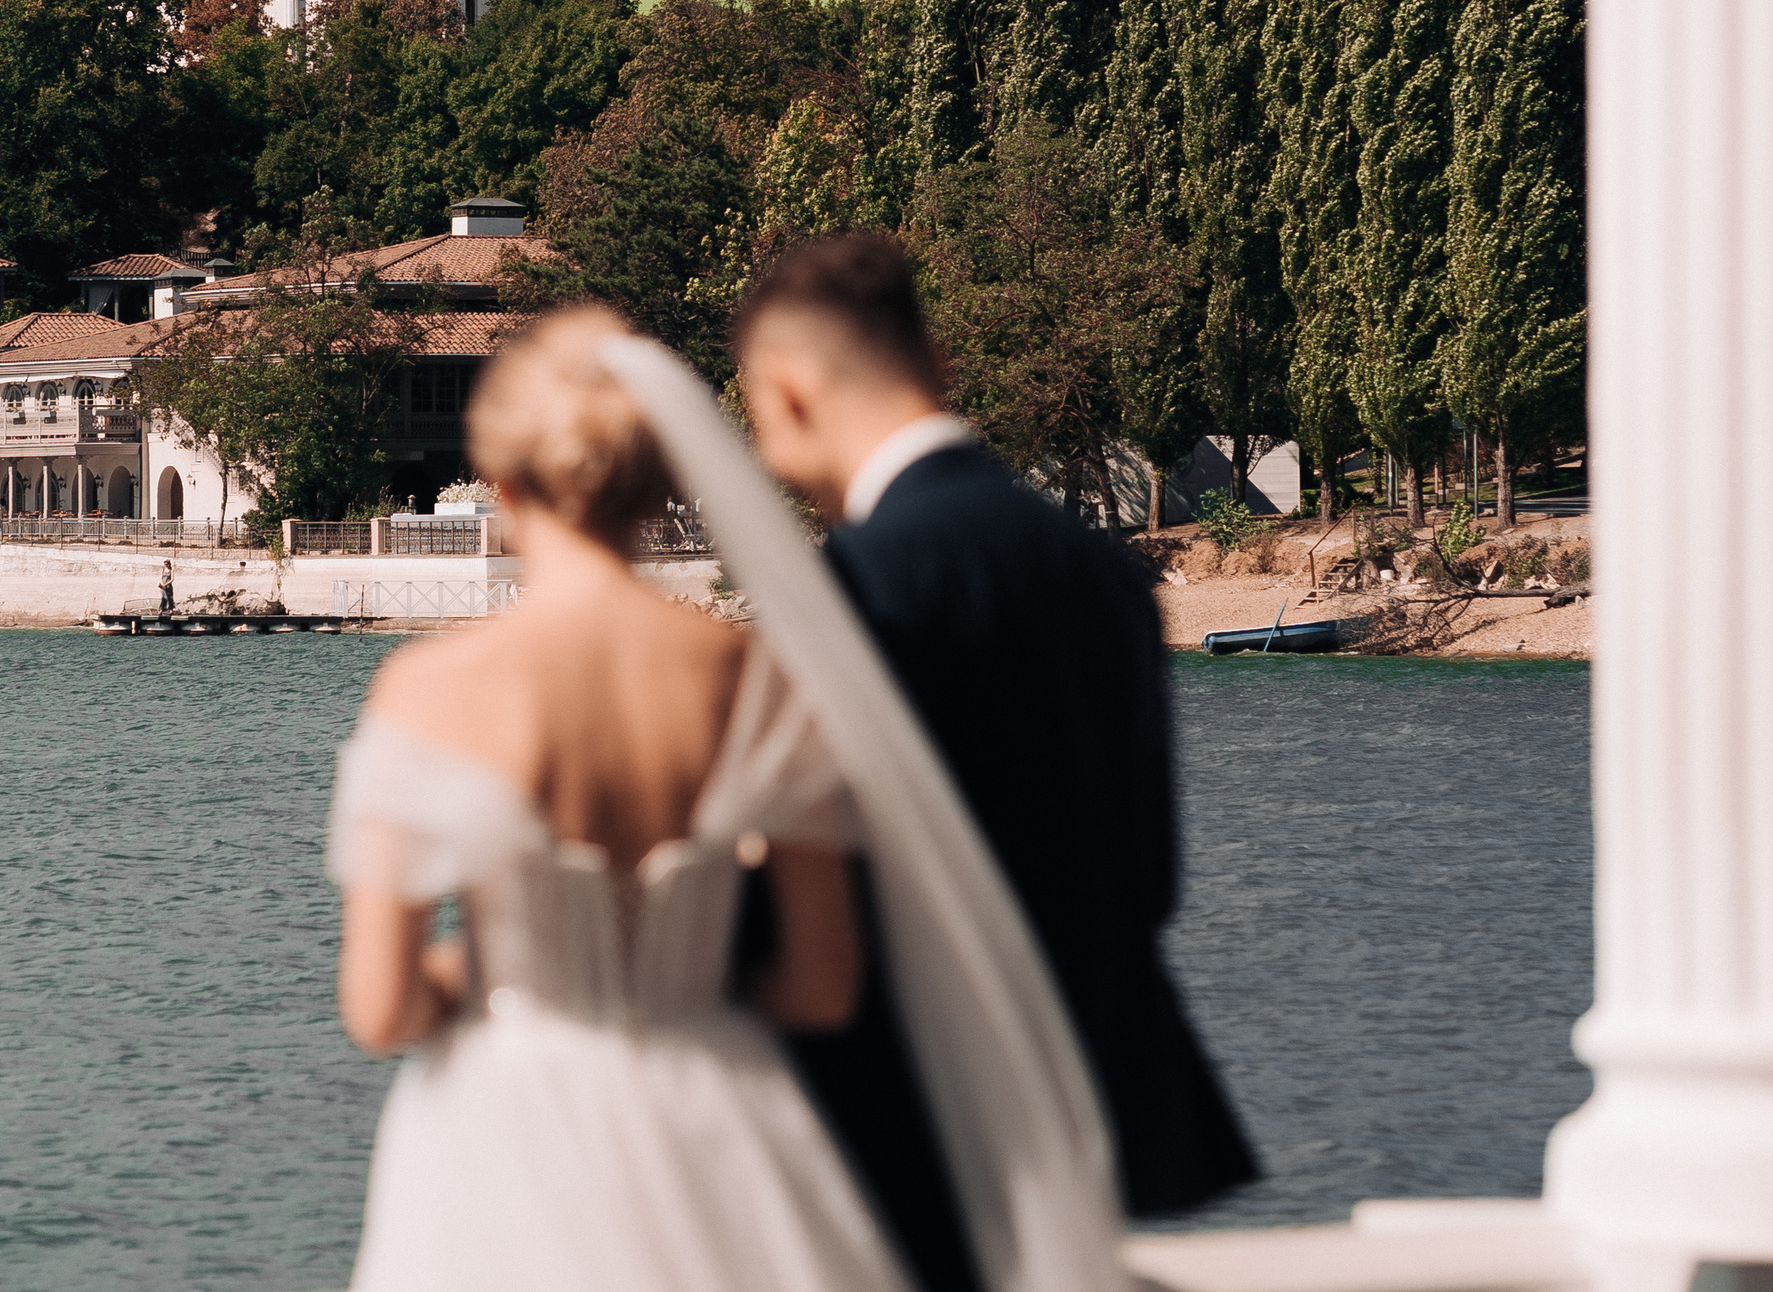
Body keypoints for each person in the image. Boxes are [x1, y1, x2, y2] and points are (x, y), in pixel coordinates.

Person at [328, 306, 915, 1292]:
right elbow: (820, 982)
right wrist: (678, 981)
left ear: (504, 488)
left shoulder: (432, 688)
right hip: (719, 1113)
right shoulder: (759, 675)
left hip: (502, 1133)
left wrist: (491, 969)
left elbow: (382, 1008)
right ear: (657, 481)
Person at [734, 234, 1256, 1292]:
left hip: (912, 1104)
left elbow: (809, 905)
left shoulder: (856, 587)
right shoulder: (1103, 568)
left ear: (785, 391)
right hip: (1094, 1089)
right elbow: (1146, 870)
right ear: (929, 361)